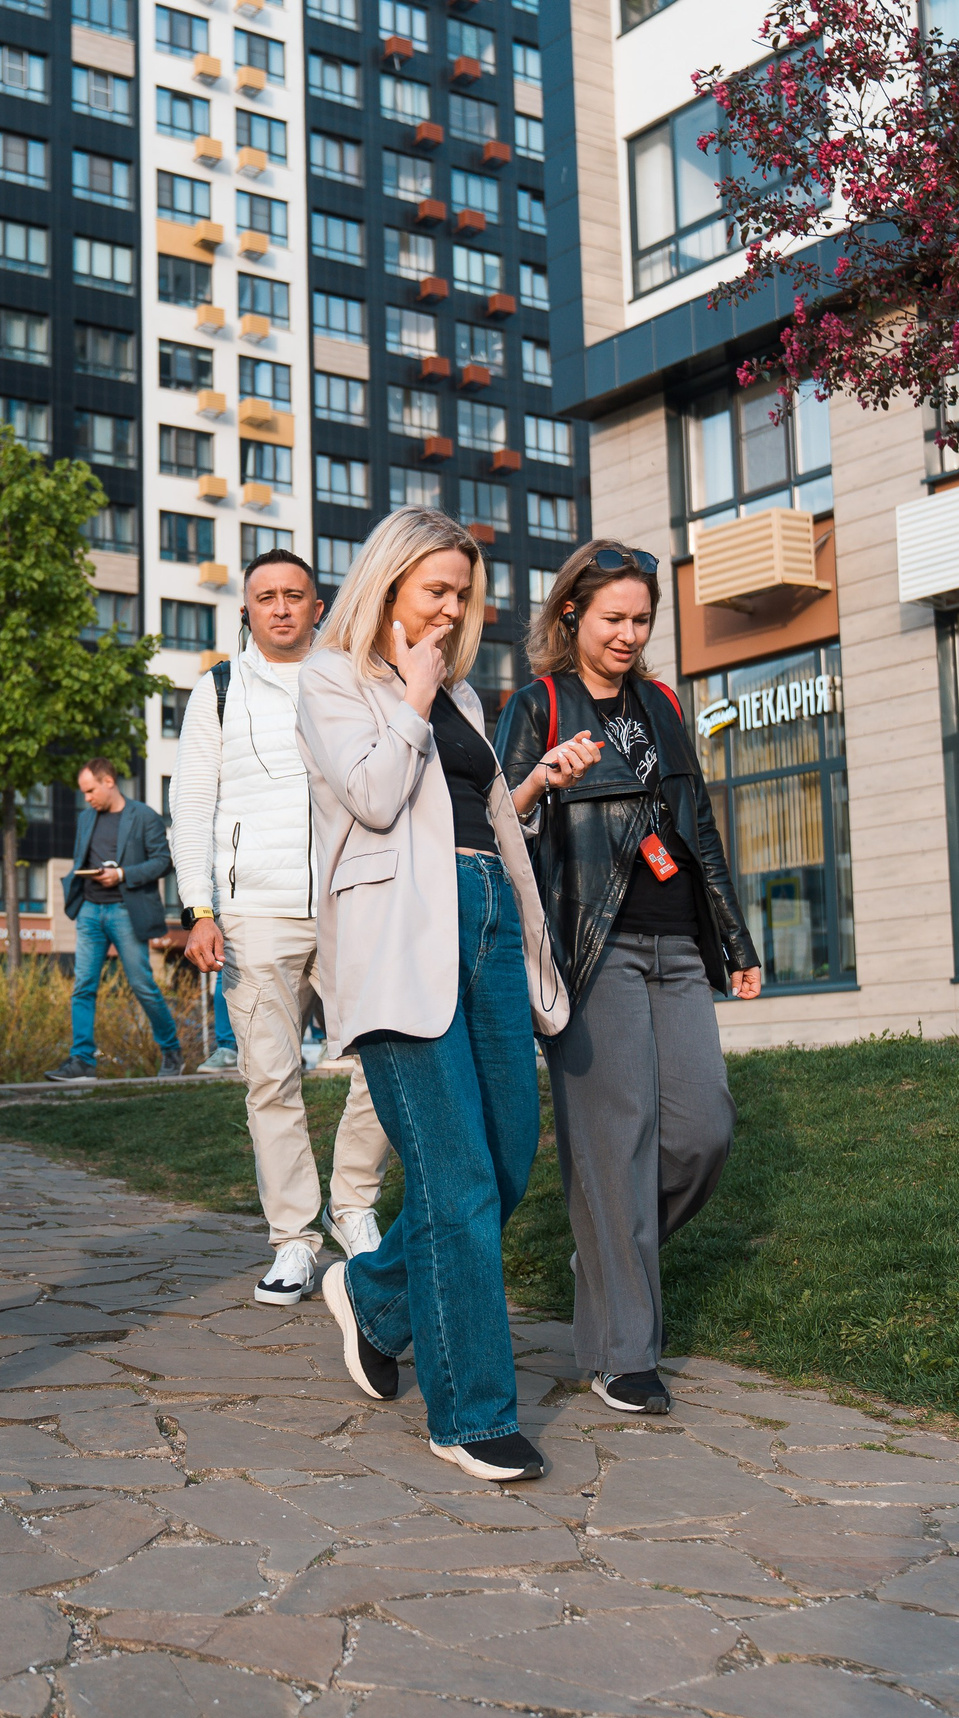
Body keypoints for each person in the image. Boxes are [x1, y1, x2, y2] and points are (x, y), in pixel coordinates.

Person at [297, 507, 592, 1482]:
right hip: (395, 945)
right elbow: (377, 796)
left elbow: (474, 815)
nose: (452, 608)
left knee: (505, 1162)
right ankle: (469, 1411)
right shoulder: (333, 679)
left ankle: (377, 1295)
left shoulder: (459, 694)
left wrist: (534, 783)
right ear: (387, 584)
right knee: (457, 1178)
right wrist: (414, 691)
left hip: (489, 924)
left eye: (462, 593)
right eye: (436, 589)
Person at [496, 541, 765, 1417]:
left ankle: (610, 1253)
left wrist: (734, 938)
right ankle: (622, 1352)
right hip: (592, 947)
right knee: (618, 1142)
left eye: (641, 619)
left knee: (701, 1132)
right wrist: (543, 777)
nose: (629, 633)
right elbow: (490, 821)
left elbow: (699, 826)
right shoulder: (536, 704)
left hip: (678, 944)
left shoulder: (659, 702)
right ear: (571, 613)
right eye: (613, 618)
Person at [172, 548, 397, 1305]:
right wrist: (198, 907)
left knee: (388, 1058)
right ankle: (295, 1243)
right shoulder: (221, 689)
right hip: (253, 914)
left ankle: (355, 1207)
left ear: (318, 605)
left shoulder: (355, 679)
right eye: (264, 597)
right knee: (271, 1081)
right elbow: (192, 806)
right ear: (246, 609)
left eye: (293, 595)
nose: (279, 608)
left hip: (351, 906)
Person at [45, 759, 184, 1082]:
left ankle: (172, 1051)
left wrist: (121, 874)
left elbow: (163, 862)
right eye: (84, 792)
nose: (87, 798)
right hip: (90, 911)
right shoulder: (85, 818)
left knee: (142, 985)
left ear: (108, 781)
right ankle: (81, 1061)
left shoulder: (144, 816)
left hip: (126, 909)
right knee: (82, 987)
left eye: (90, 790)